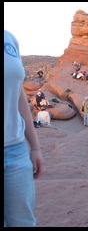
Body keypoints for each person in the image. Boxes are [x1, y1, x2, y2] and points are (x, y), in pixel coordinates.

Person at [4, 30, 44, 226]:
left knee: (24, 222)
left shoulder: (9, 39)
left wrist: (35, 146)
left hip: (16, 150)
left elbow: (18, 94)